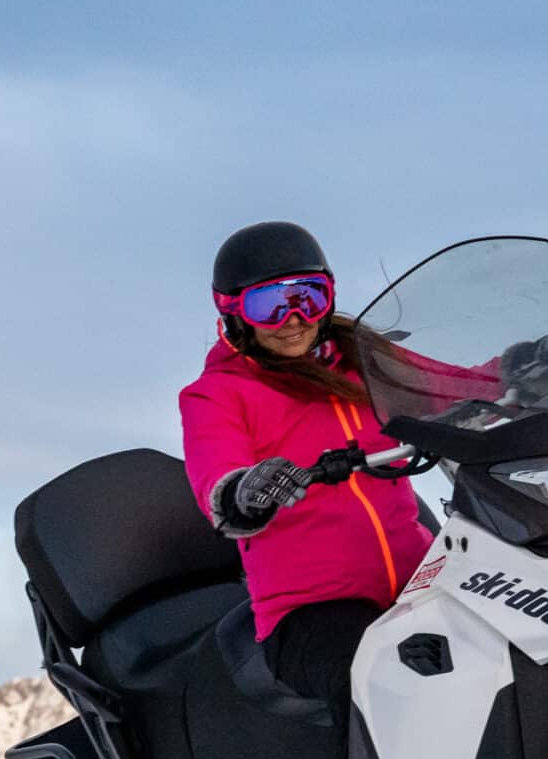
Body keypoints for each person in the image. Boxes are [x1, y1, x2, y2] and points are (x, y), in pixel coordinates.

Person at [179, 220, 434, 722]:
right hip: (310, 612)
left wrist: (530, 366)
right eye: (268, 304)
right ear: (234, 313)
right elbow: (216, 469)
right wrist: (245, 490)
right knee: (376, 684)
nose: (292, 318)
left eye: (307, 297)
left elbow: (455, 388)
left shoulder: (367, 362)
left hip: (420, 578)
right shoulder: (217, 394)